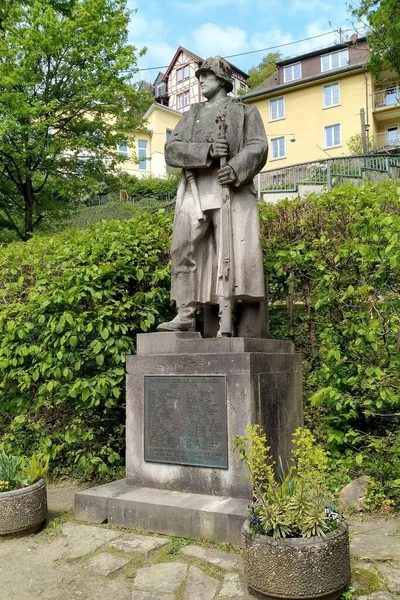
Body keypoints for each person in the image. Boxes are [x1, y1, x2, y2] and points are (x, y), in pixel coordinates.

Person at [157, 56, 268, 335]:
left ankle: (226, 317)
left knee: (228, 256)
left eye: (206, 75)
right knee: (182, 249)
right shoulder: (191, 114)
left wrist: (235, 167)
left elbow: (258, 147)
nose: (200, 81)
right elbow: (172, 150)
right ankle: (184, 312)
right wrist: (206, 152)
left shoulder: (244, 112)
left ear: (221, 79)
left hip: (230, 191)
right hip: (195, 192)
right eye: (200, 76)